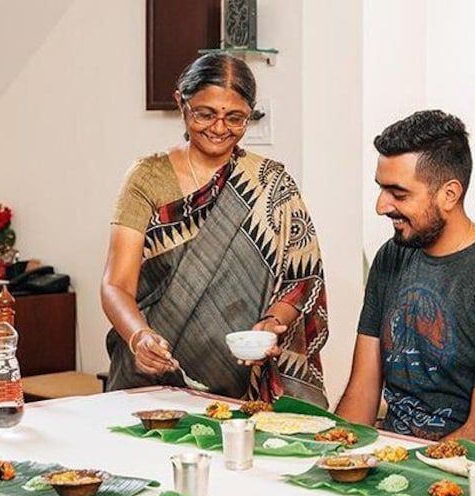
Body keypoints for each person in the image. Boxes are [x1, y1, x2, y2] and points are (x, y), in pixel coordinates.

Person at [101, 53, 328, 407]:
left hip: (244, 382)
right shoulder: (146, 177)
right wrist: (138, 336)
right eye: (205, 114)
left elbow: (302, 278)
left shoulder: (271, 183)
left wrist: (272, 322)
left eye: (235, 118)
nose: (219, 128)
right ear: (181, 103)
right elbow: (116, 284)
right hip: (153, 373)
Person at [335, 110, 475, 443]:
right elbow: (361, 395)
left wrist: (407, 466)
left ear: (449, 194)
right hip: (392, 457)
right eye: (381, 189)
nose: (381, 206)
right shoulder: (392, 256)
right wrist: (329, 454)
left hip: (462, 473)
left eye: (398, 194)